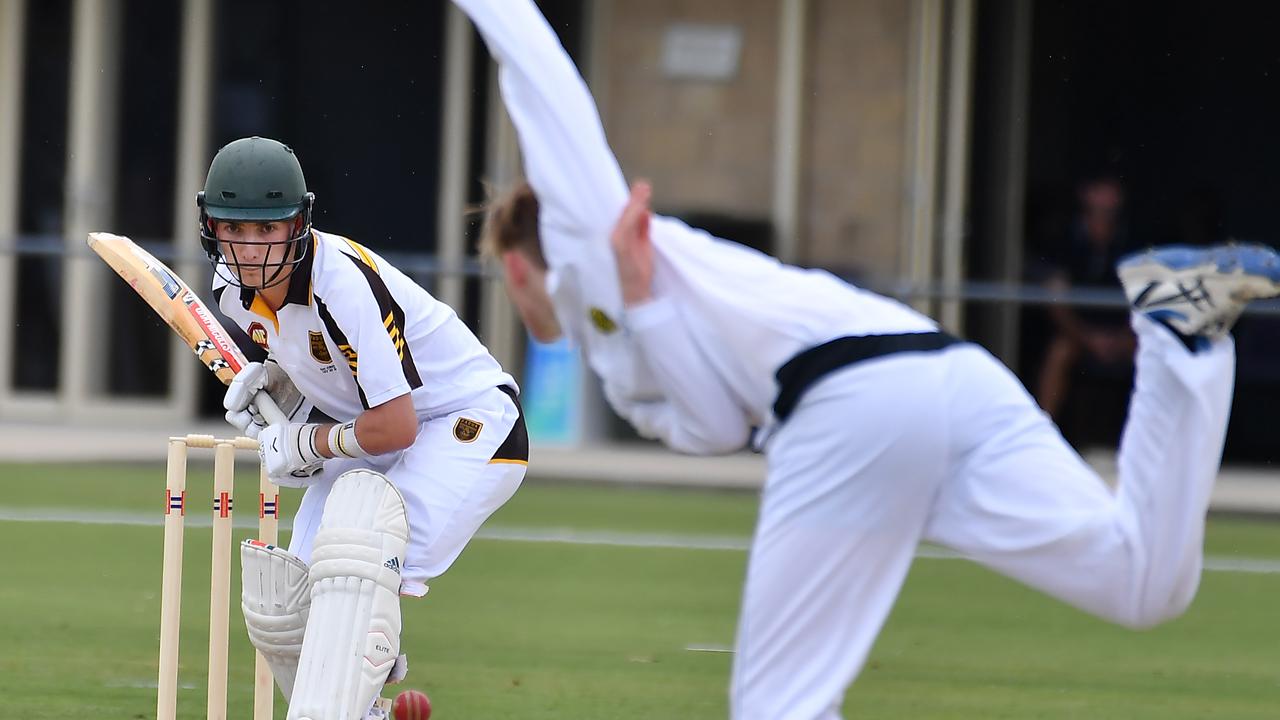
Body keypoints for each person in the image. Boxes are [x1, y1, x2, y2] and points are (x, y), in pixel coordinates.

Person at [456, 1, 1280, 718]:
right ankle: (1178, 335)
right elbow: (708, 429)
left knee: (779, 705)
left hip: (852, 400)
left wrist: (632, 288)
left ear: (516, 264)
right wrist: (645, 301)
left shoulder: (582, 232)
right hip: (951, 377)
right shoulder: (620, 350)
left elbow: (539, 70)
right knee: (1140, 585)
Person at [202, 136, 529, 718]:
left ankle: (362, 676)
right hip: (373, 429)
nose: (251, 248)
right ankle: (368, 710)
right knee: (286, 604)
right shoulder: (232, 294)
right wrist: (283, 383)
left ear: (298, 223)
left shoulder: (342, 285)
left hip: (471, 423)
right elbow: (336, 375)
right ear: (212, 226)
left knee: (356, 568)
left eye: (267, 230)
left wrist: (309, 442)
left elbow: (398, 423)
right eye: (236, 230)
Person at [1035, 173, 1136, 429]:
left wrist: (1123, 335)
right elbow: (1055, 301)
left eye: (1111, 189)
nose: (1105, 198)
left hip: (1124, 334)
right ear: (1085, 193)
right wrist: (1088, 337)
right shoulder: (1064, 237)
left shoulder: (1133, 239)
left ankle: (1150, 438)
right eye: (1099, 188)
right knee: (1059, 352)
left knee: (1157, 353)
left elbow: (1147, 299)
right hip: (1079, 334)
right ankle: (1043, 430)